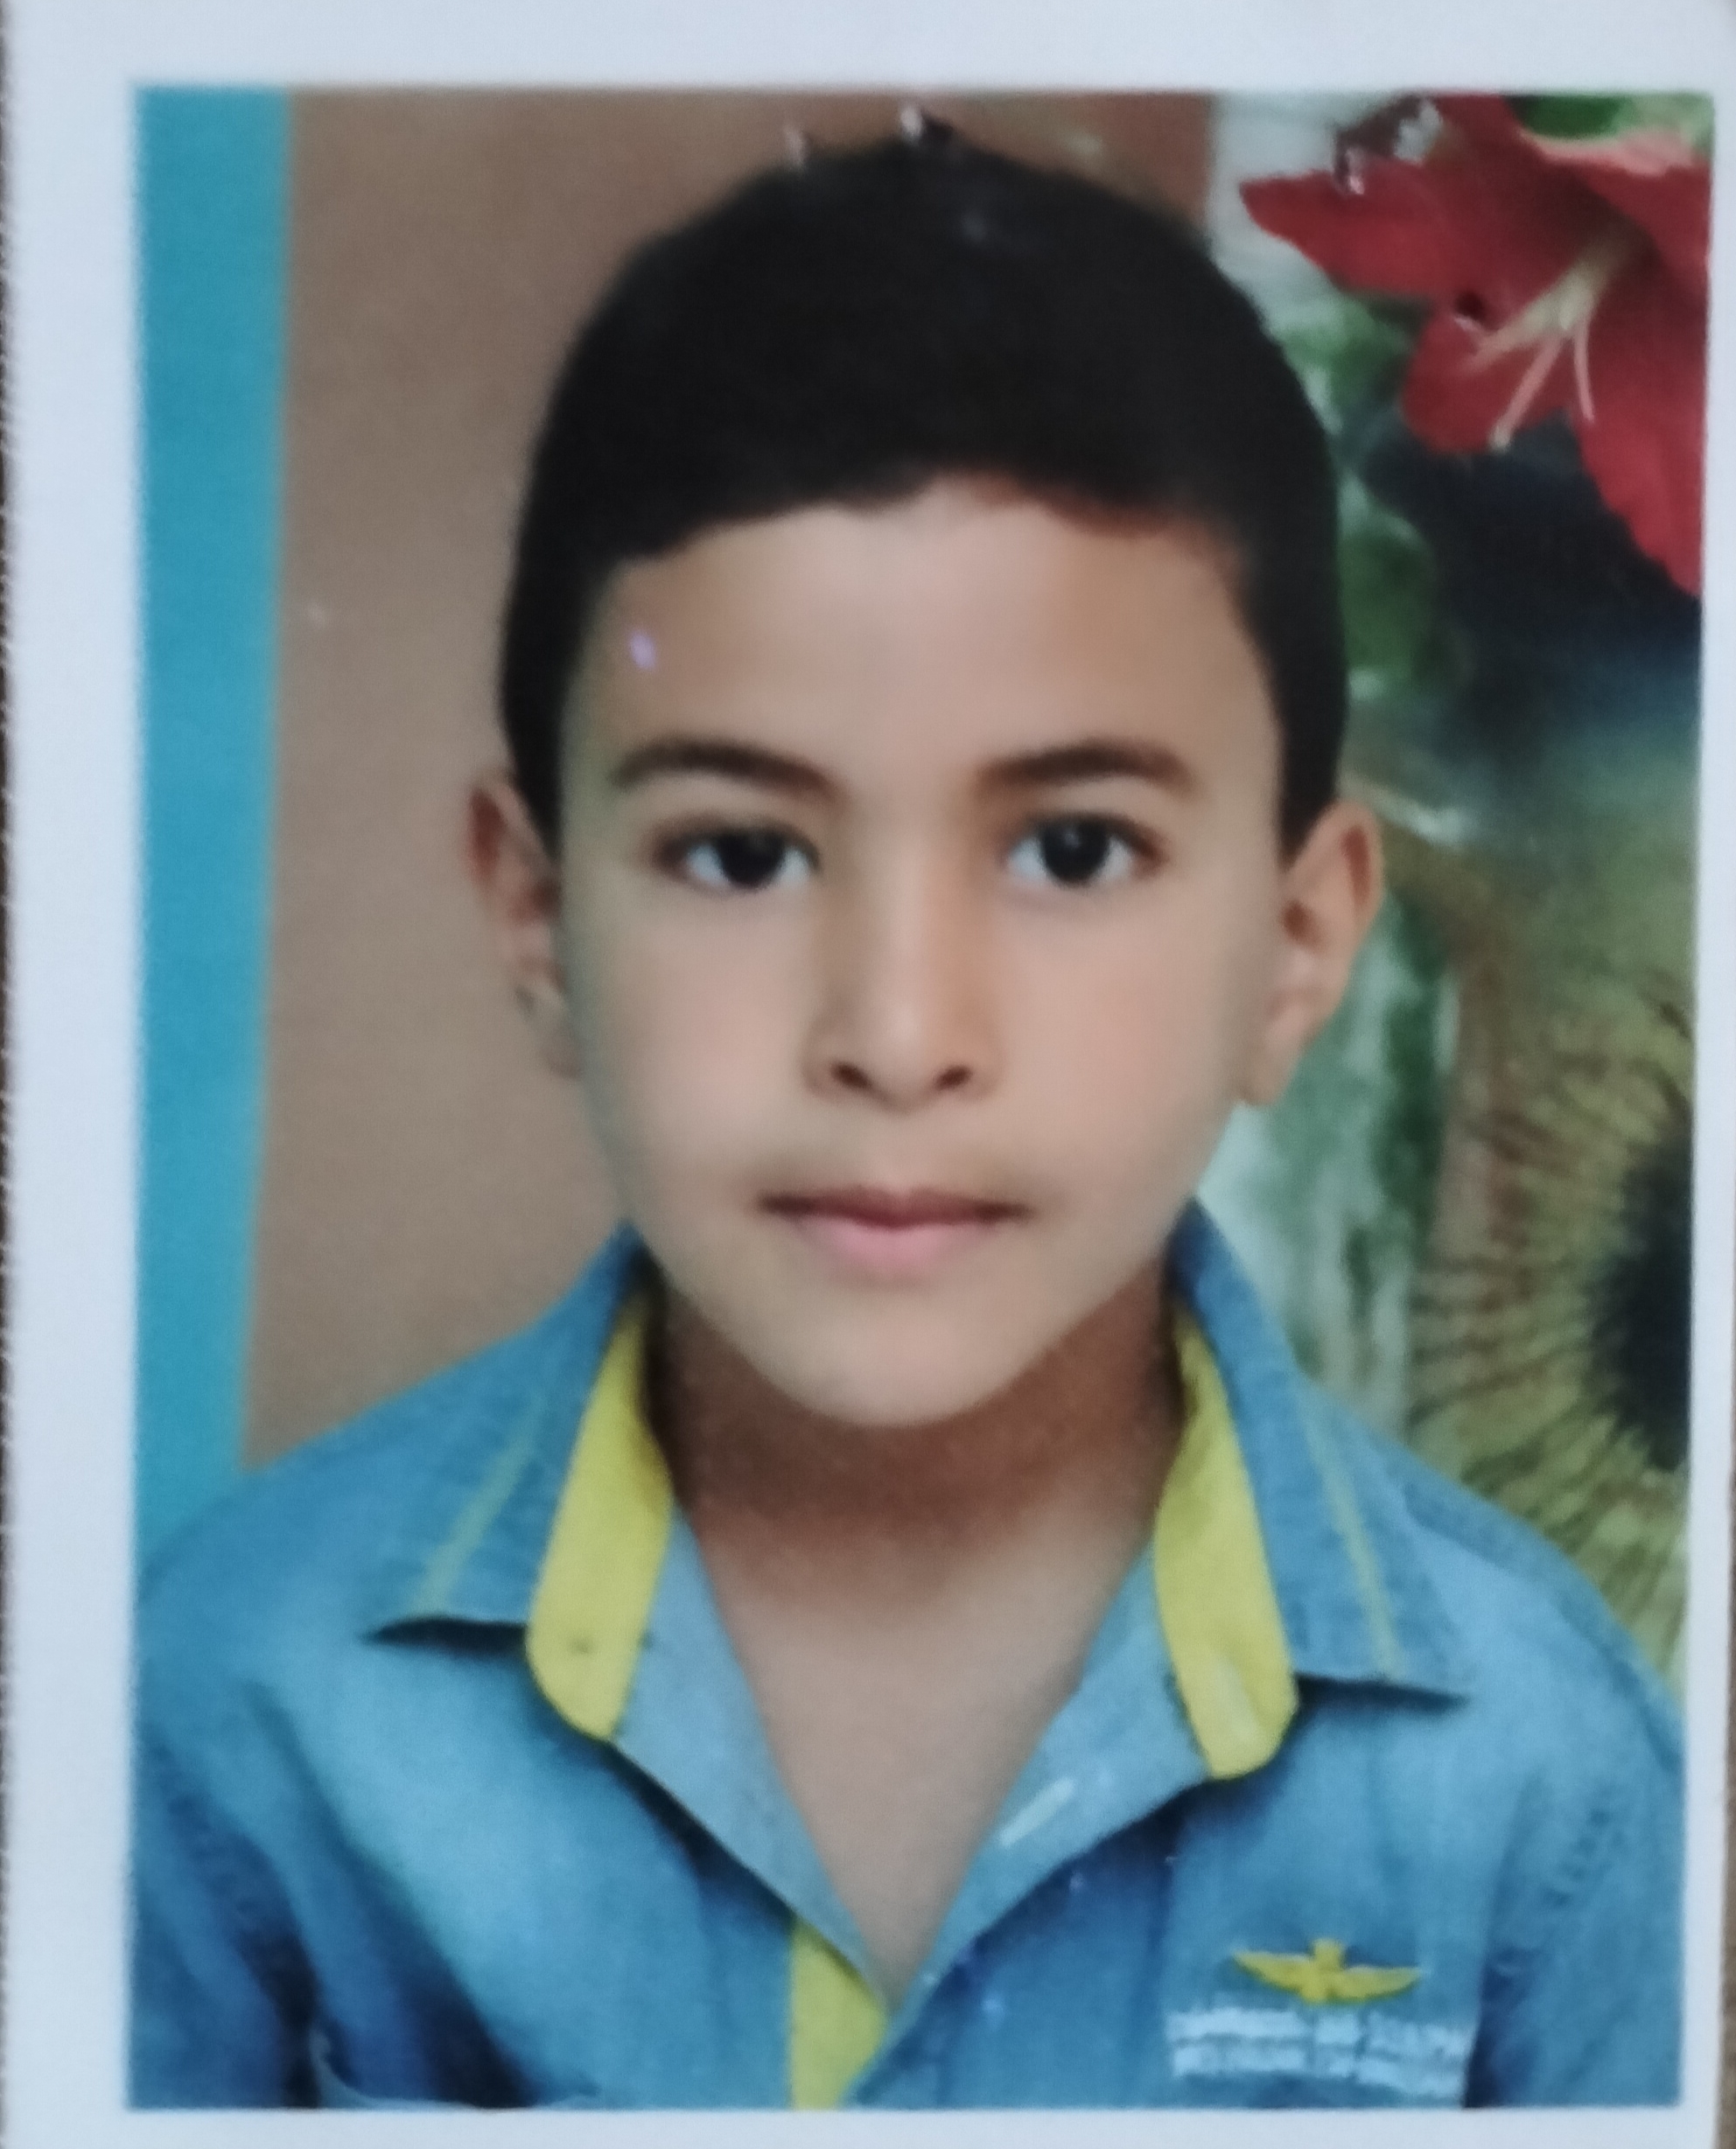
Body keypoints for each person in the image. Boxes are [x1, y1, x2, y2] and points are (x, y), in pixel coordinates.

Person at [131, 125, 1682, 2110]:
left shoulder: (1541, 1782)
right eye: (742, 853)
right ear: (534, 914)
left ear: (1296, 947)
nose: (896, 1033)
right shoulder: (241, 1707)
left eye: (1070, 847)